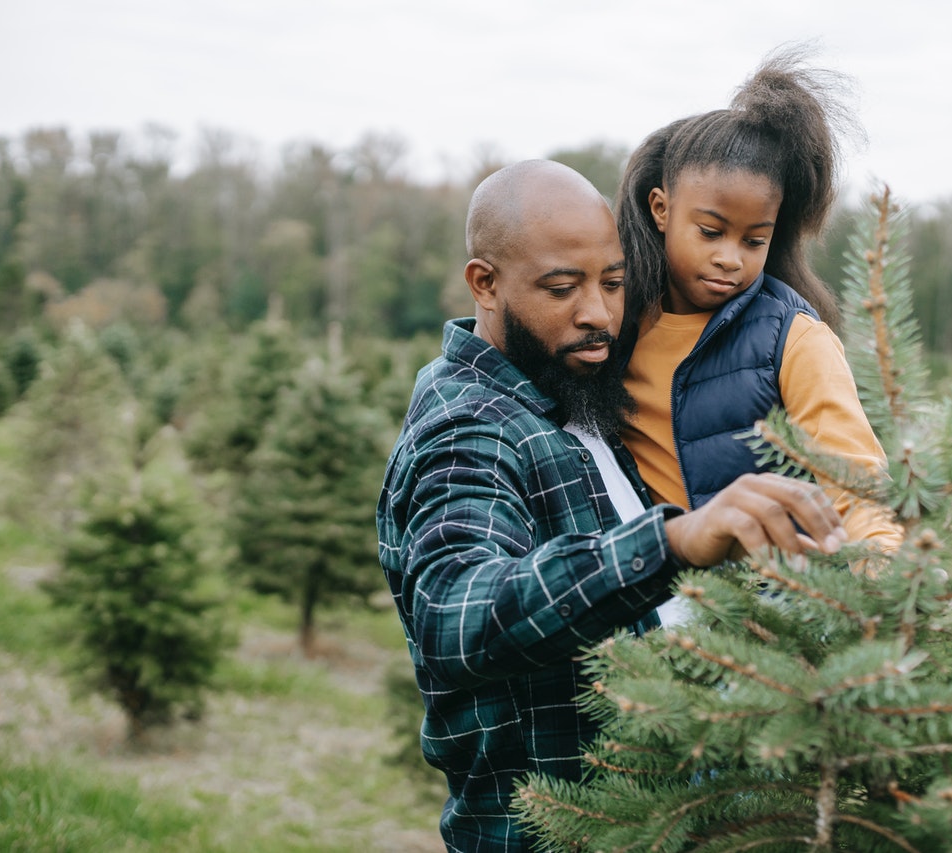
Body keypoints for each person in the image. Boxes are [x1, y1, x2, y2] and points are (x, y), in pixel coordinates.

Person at [376, 159, 849, 853]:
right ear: (484, 283)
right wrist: (673, 542)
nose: (598, 314)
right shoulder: (470, 429)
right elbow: (456, 613)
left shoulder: (570, 390)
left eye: (614, 282)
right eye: (563, 287)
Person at [616, 47, 901, 615]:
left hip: (767, 622)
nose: (729, 258)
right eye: (711, 231)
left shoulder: (791, 338)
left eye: (753, 240)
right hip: (642, 612)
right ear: (661, 208)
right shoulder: (614, 324)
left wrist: (886, 577)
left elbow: (856, 480)